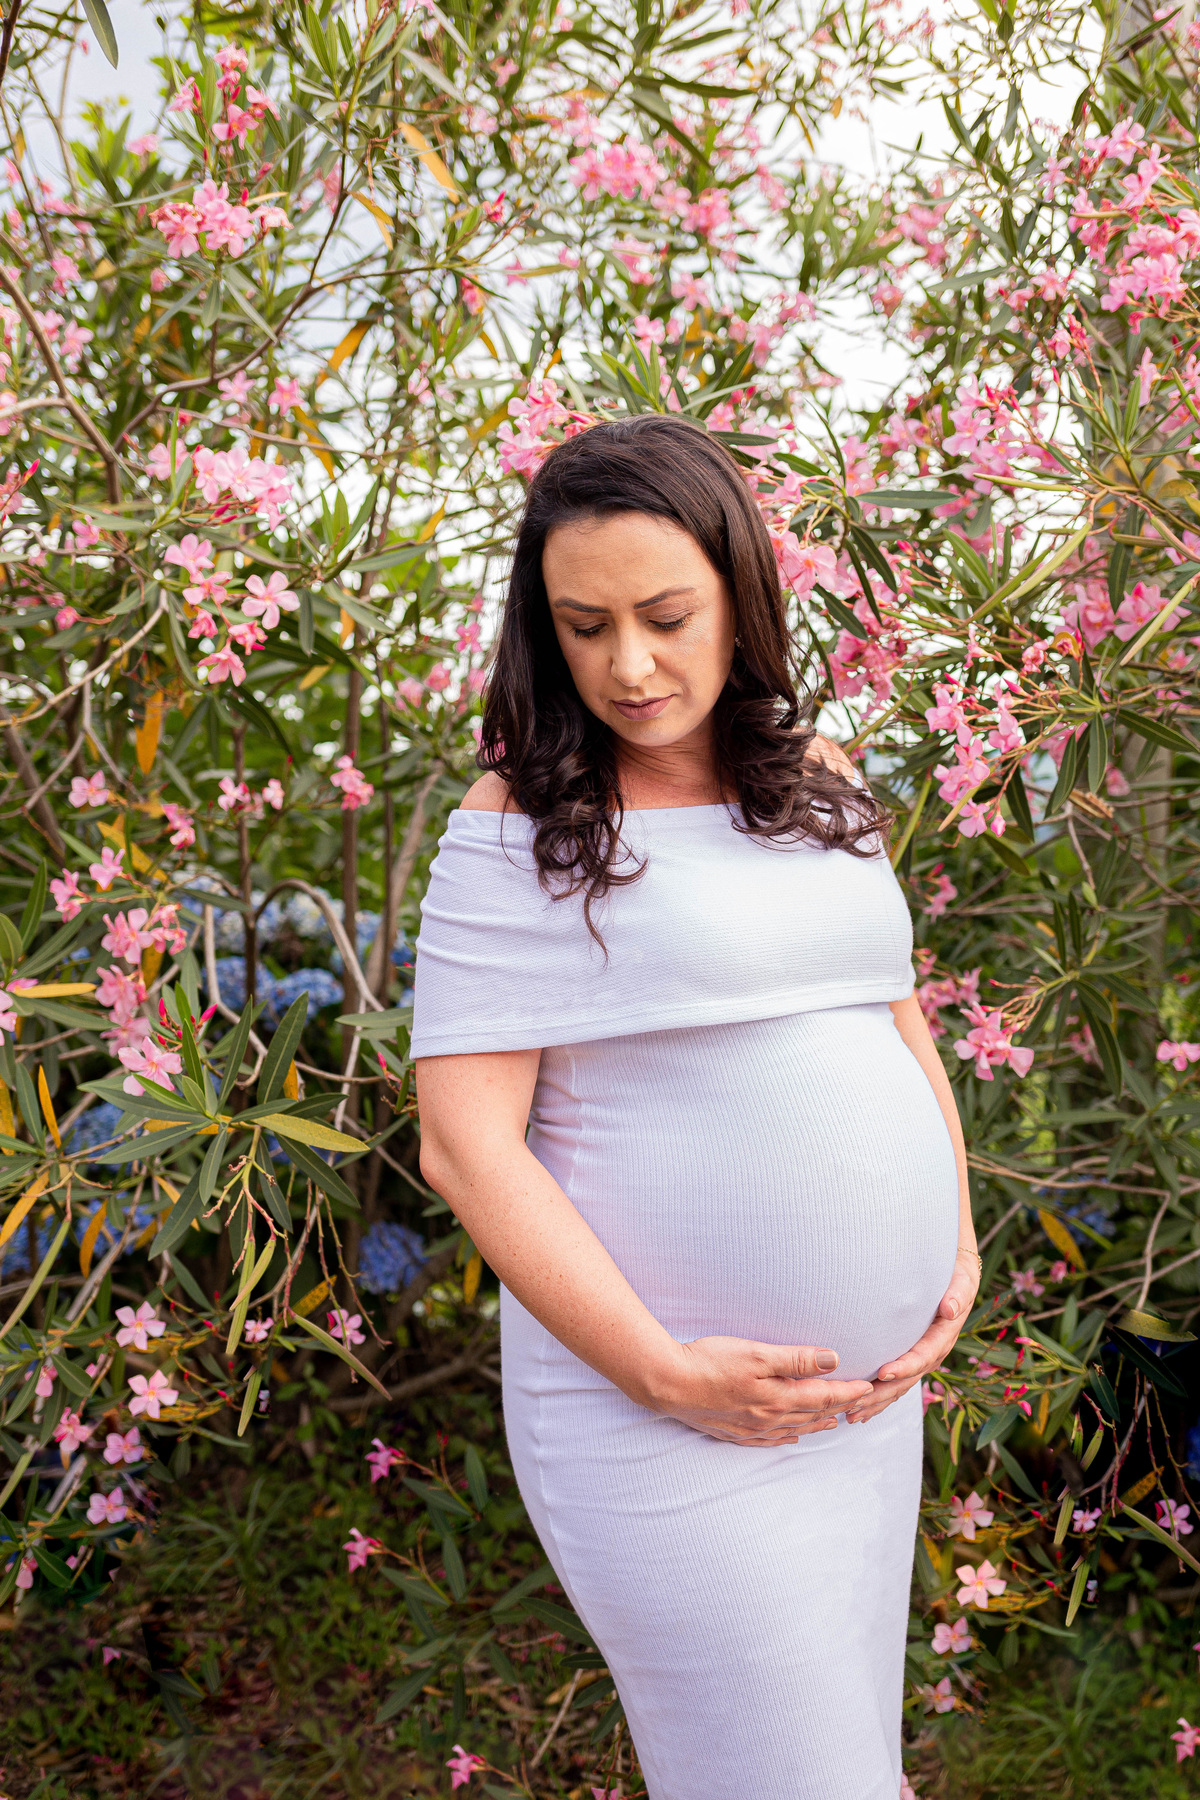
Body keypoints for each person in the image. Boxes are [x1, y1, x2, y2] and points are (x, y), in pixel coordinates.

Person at [412, 413, 979, 1800]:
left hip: (852, 1413)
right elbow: (466, 1151)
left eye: (667, 615)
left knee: (842, 1764)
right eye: (584, 625)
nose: (630, 664)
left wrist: (951, 1244)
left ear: (740, 593)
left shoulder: (823, 785)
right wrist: (662, 1374)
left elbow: (888, 1013)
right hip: (654, 1412)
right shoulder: (518, 827)